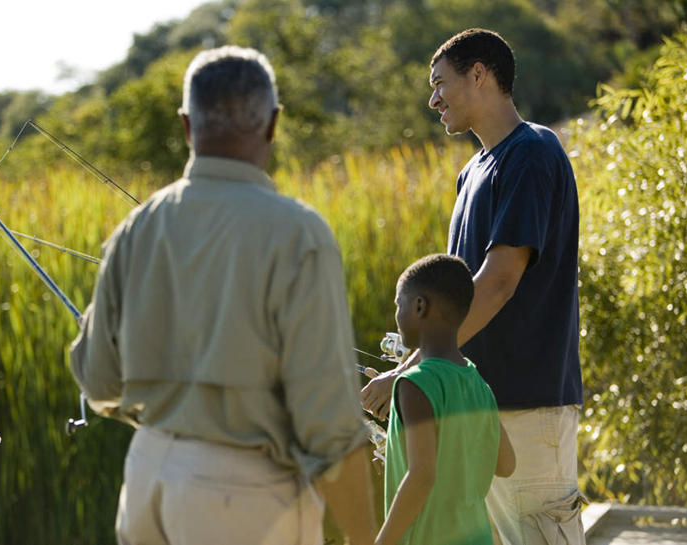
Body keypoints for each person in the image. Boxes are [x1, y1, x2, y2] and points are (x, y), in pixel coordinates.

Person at [70, 46, 376, 545]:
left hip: (145, 476)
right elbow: (328, 424)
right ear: (273, 124)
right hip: (245, 495)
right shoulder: (298, 233)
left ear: (187, 126)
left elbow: (98, 380)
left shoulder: (136, 227)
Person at [362, 29, 586, 544]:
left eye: (440, 83)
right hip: (480, 408)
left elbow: (500, 281)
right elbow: (452, 305)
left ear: (480, 74)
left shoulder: (531, 151)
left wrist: (405, 370)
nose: (432, 98)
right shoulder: (470, 174)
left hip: (529, 402)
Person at [376, 253, 515, 545]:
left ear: (419, 306)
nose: (397, 315)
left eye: (398, 305)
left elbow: (422, 476)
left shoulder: (414, 383)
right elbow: (506, 465)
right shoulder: (479, 385)